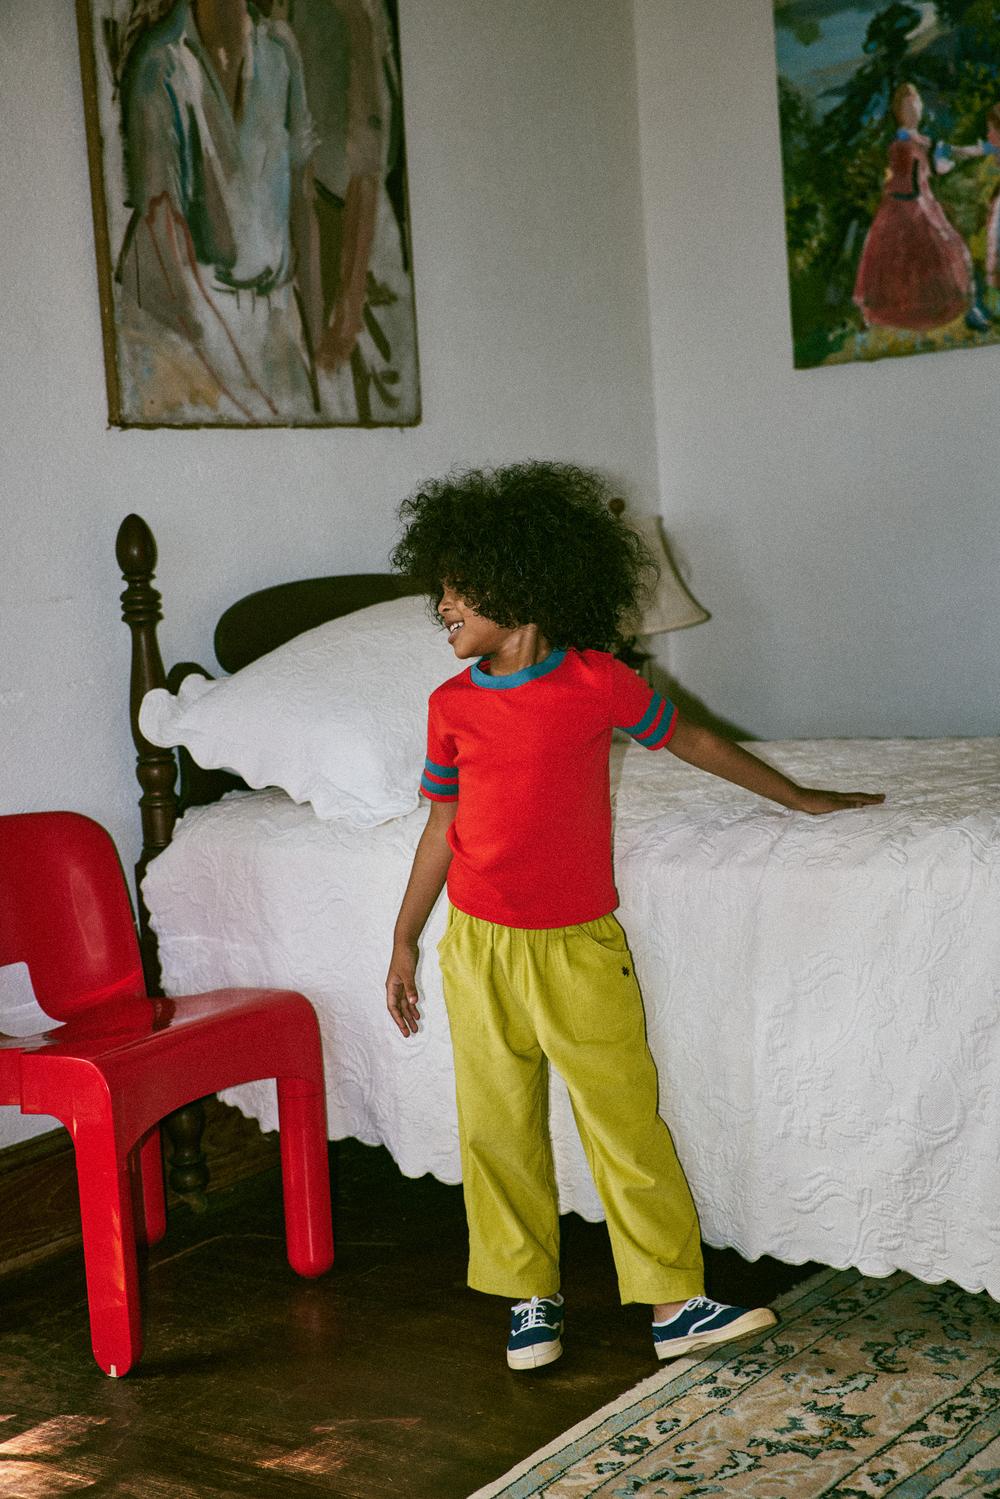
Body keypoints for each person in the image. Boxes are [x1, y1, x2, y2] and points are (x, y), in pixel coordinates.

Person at [384, 462, 885, 1372]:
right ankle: (530, 1297)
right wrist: (403, 937)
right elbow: (439, 826)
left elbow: (693, 739)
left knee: (625, 1120)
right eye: (440, 590)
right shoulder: (448, 706)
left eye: (458, 588)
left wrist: (799, 797)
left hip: (579, 946)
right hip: (478, 946)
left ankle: (672, 1302)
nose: (442, 606)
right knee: (496, 1127)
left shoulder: (594, 680)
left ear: (519, 583)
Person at [118, 0, 332, 422]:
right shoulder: (161, 63)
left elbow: (303, 208)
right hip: (184, 329)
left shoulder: (279, 51)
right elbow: (166, 245)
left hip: (272, 317)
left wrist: (317, 346)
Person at [853, 83, 984, 334]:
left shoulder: (920, 140)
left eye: (916, 105)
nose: (914, 110)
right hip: (901, 206)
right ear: (899, 112)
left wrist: (976, 150)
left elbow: (940, 158)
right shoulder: (903, 139)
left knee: (950, 249)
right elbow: (916, 156)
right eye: (908, 107)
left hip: (923, 203)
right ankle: (872, 315)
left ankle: (967, 307)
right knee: (889, 260)